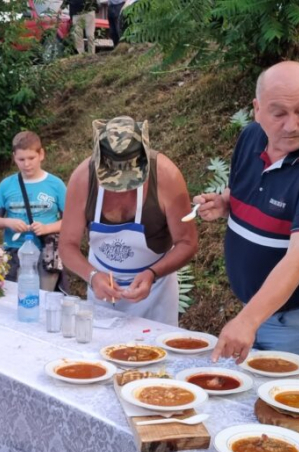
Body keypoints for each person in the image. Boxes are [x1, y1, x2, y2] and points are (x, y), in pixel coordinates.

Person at [195, 61, 299, 367]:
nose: (291, 125)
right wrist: (226, 201)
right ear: (257, 109)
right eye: (279, 113)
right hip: (256, 306)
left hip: (297, 318)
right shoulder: (252, 136)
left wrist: (247, 320)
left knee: (287, 403)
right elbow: (251, 187)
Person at [60, 116, 198, 325]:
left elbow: (187, 242)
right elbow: (67, 245)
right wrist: (92, 276)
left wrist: (152, 273)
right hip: (101, 291)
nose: (122, 189)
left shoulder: (166, 176)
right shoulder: (82, 179)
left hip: (155, 291)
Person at [0, 131, 66, 291]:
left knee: (45, 298)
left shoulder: (56, 184)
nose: (26, 164)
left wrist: (46, 228)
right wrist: (8, 222)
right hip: (14, 253)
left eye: (31, 158)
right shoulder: (6, 185)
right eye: (21, 159)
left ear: (41, 154)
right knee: (13, 298)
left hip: (47, 252)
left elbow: (71, 222)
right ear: (14, 158)